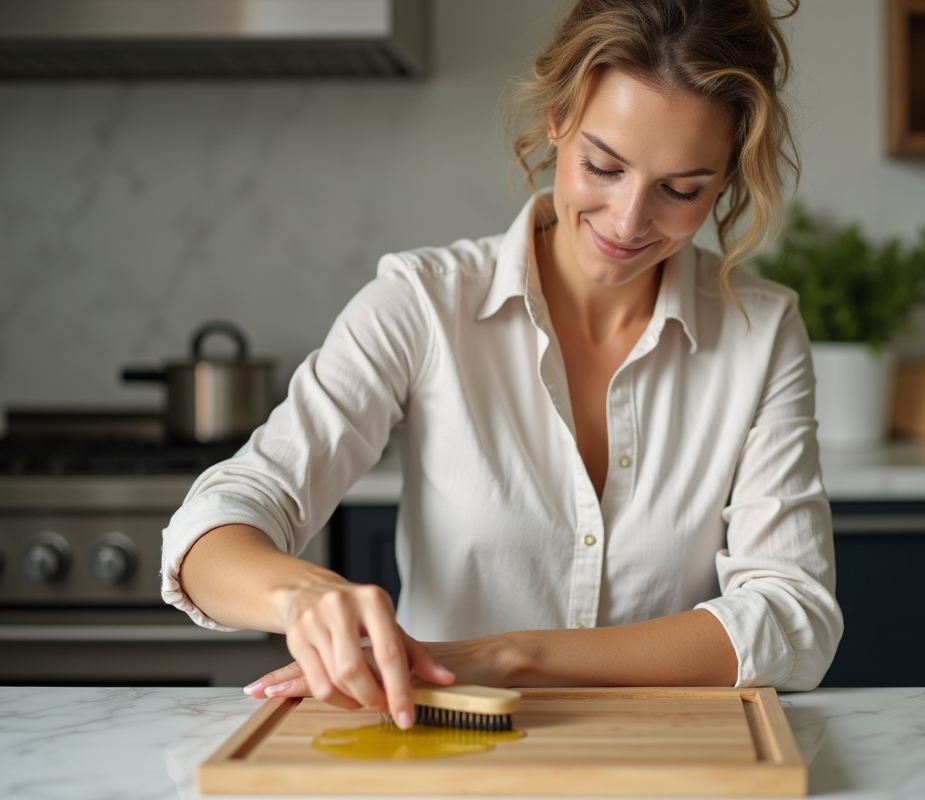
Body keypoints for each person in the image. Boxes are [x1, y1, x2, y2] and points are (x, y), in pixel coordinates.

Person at [163, 0, 842, 731]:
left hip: (660, 753)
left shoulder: (761, 330)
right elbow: (219, 519)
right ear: (557, 119)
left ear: (727, 178)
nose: (627, 221)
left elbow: (793, 615)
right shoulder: (423, 303)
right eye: (602, 166)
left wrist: (512, 656)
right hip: (438, 751)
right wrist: (299, 595)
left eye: (682, 190)